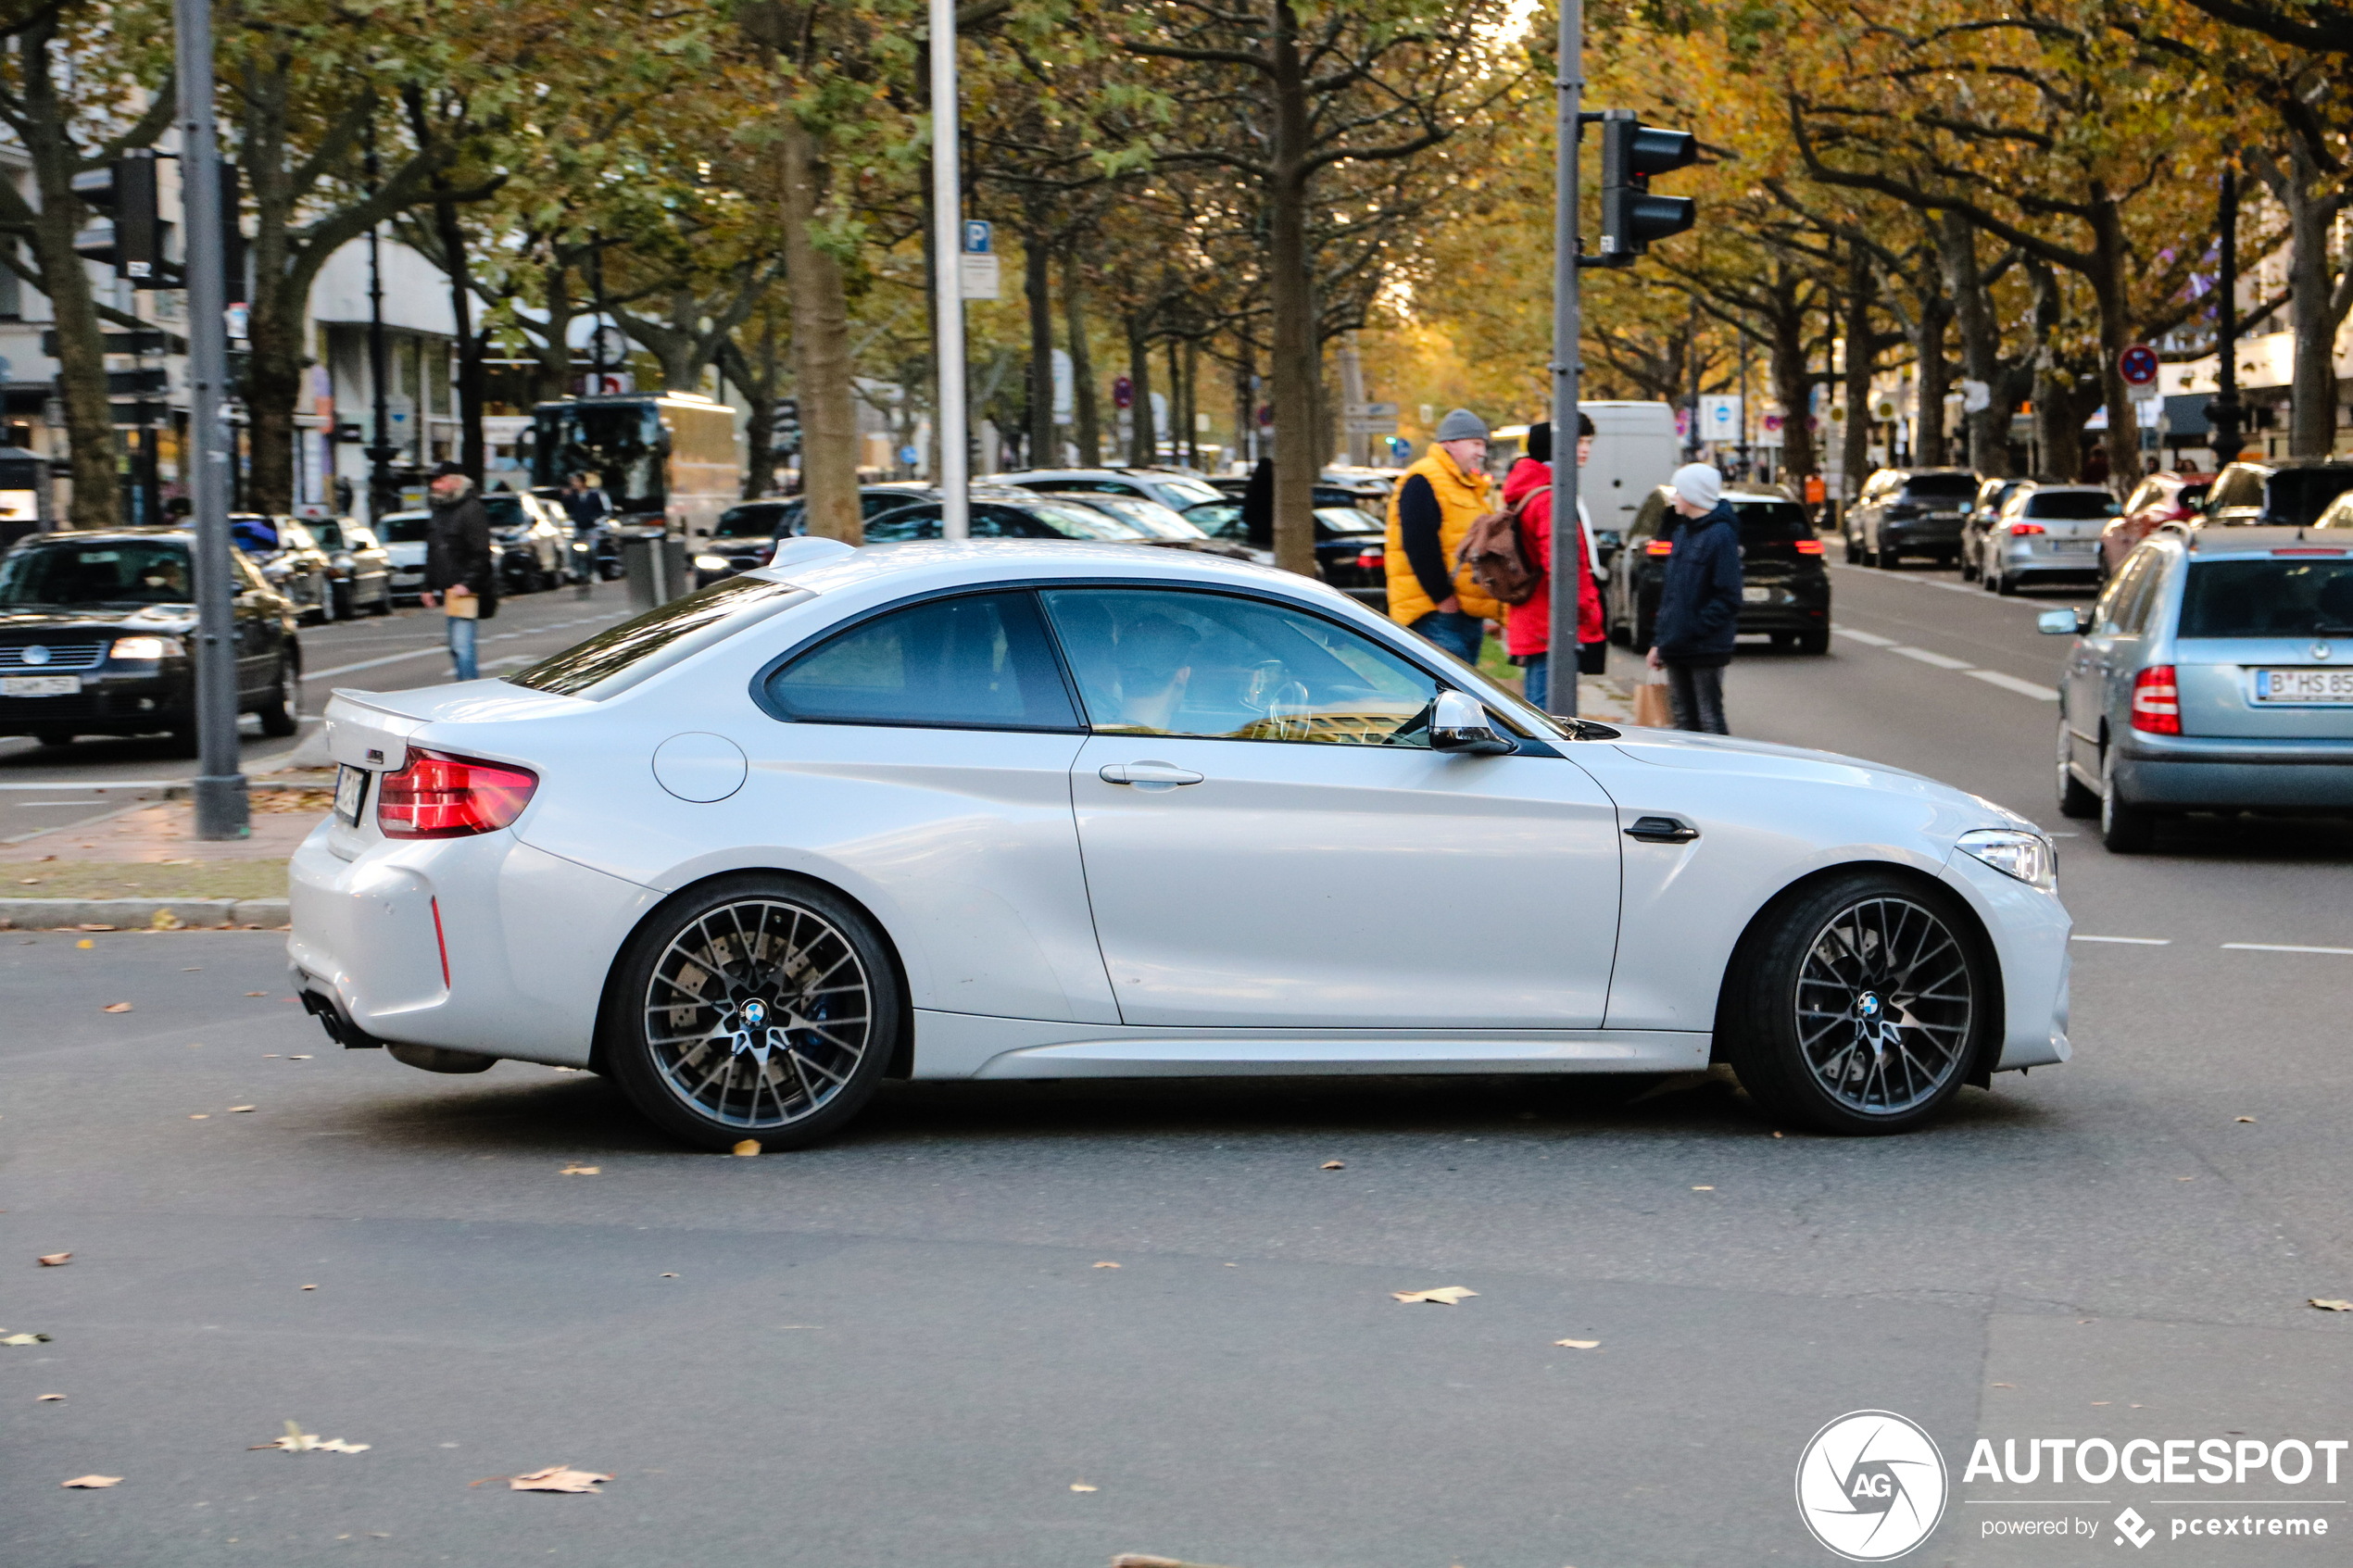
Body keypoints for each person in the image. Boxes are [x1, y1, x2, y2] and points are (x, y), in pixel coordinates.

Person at [1500, 414, 1604, 712]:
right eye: (1580, 442)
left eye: (1588, 442)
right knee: (1551, 718)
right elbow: (1563, 566)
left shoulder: (1534, 489)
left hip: (1537, 616)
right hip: (1550, 621)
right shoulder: (1549, 498)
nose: (1585, 449)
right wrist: (1587, 609)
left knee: (1543, 708)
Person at [1385, 408, 1498, 665]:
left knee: (1464, 699)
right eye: (1475, 444)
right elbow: (1418, 545)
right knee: (1447, 698)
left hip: (1461, 614)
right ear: (1450, 444)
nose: (1481, 452)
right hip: (1435, 615)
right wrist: (1444, 600)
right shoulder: (1423, 479)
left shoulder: (1465, 484)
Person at [1646, 462, 1742, 734]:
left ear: (1694, 494)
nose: (1675, 497)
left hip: (1705, 646)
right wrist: (1660, 642)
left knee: (1708, 717)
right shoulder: (1682, 532)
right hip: (1676, 645)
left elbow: (1729, 596)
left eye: (1679, 491)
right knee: (1682, 720)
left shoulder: (1720, 535)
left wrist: (1692, 629)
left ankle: (1719, 773)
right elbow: (1672, 596)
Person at [422, 461, 497, 681]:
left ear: (456, 481)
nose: (435, 486)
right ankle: (464, 687)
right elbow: (433, 550)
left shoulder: (471, 509)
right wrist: (427, 586)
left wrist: (467, 584)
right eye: (434, 481)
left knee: (462, 646)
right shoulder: (439, 510)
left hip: (466, 591)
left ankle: (469, 692)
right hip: (450, 591)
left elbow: (481, 553)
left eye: (441, 480)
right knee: (456, 647)